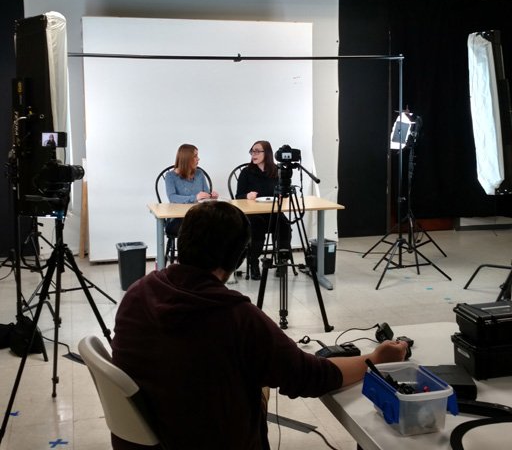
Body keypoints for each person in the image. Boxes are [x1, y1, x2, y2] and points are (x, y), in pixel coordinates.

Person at [111, 201, 408, 450]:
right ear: (239, 257)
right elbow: (308, 377)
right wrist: (375, 359)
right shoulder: (234, 316)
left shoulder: (139, 292)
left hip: (145, 439)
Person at [235, 140, 291, 280]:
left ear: (267, 153)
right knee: (257, 226)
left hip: (273, 212)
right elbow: (238, 196)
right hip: (253, 214)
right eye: (252, 151)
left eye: (257, 151)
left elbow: (285, 193)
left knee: (284, 225)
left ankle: (282, 261)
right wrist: (247, 196)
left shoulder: (276, 171)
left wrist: (282, 195)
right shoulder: (246, 172)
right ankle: (254, 262)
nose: (253, 154)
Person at [164, 143, 218, 235]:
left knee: (218, 223)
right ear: (186, 159)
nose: (198, 159)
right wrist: (195, 197)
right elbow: (172, 197)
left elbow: (205, 194)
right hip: (179, 218)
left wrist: (211, 196)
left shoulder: (199, 173)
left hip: (199, 215)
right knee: (203, 228)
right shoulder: (170, 176)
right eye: (195, 156)